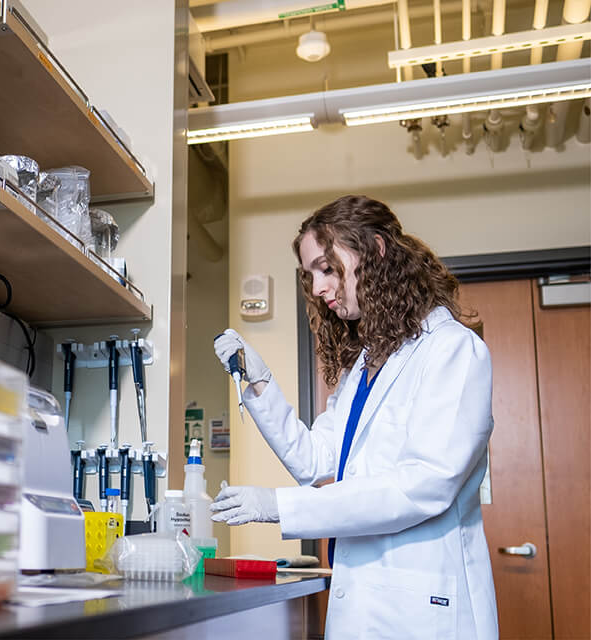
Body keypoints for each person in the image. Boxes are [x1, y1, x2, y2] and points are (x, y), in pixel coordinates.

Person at [212, 195, 497, 639]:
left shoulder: (452, 350)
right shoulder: (366, 366)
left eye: (327, 268)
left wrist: (277, 506)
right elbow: (317, 462)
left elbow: (424, 485)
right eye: (310, 275)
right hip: (365, 600)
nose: (319, 287)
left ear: (375, 251)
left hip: (423, 610)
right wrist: (258, 381)